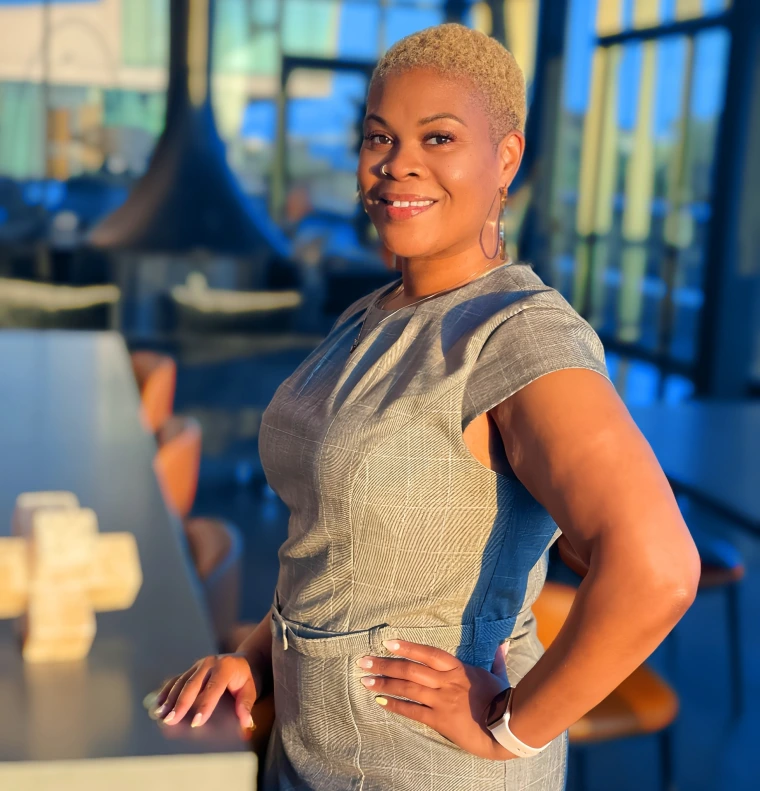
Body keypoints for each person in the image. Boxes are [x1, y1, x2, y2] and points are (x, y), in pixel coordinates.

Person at [153, 24, 700, 790]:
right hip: (308, 754)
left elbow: (659, 566)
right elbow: (334, 553)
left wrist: (513, 726)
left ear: (505, 158)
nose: (397, 162)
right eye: (379, 136)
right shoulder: (371, 313)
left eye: (437, 137)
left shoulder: (517, 331)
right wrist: (255, 660)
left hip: (424, 766)